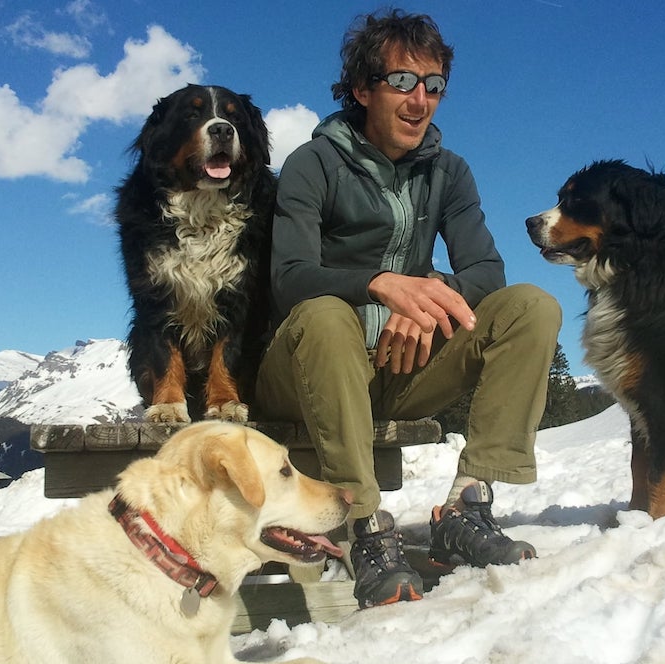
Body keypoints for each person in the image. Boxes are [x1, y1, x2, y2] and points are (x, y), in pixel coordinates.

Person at [254, 8, 562, 609]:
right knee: (324, 315)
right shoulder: (313, 164)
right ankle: (364, 528)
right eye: (401, 81)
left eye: (434, 85)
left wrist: (426, 294)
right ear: (362, 89)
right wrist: (381, 284)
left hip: (399, 369)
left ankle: (466, 507)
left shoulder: (449, 172)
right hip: (306, 371)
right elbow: (288, 278)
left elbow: (487, 273)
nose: (420, 100)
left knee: (530, 307)